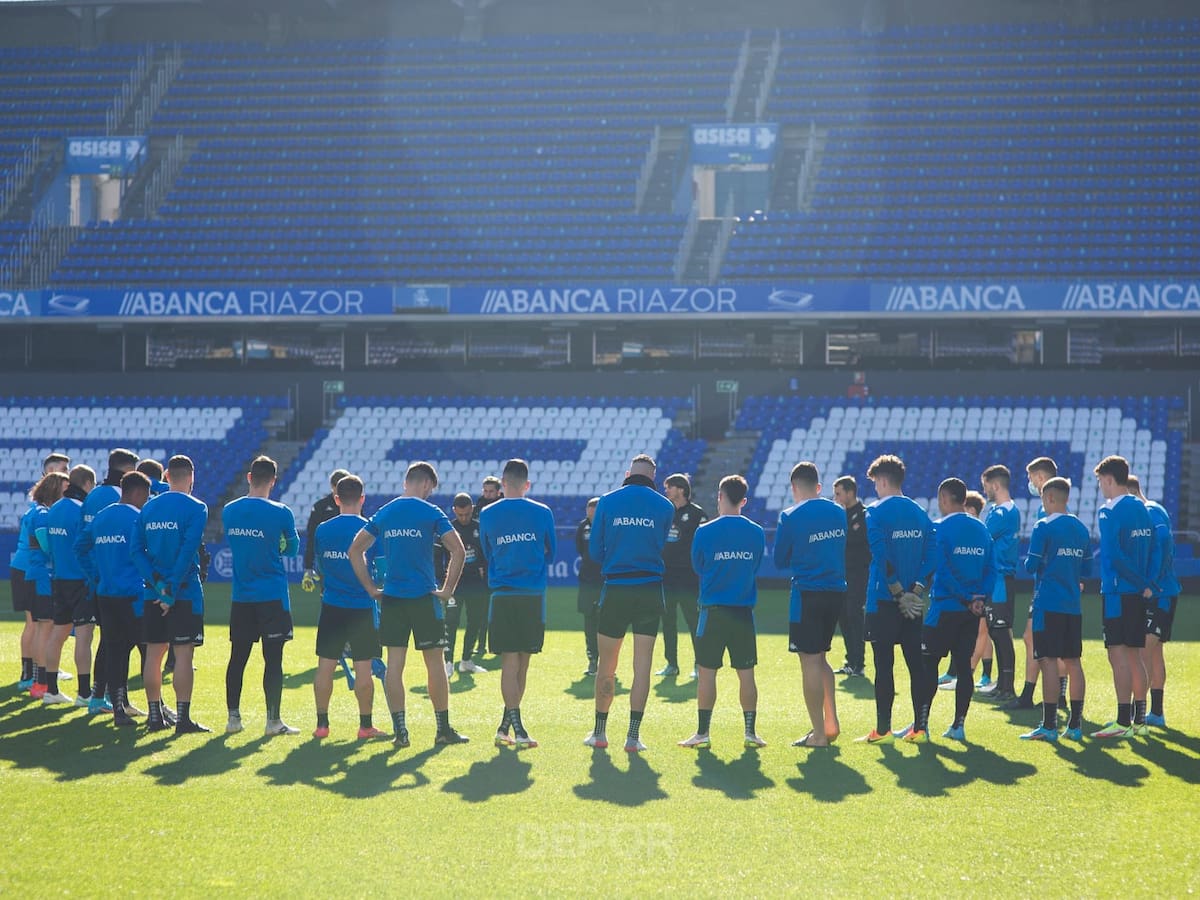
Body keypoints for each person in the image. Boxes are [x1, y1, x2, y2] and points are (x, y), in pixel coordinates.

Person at [349, 461, 469, 747]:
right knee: (435, 663)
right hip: (424, 598)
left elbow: (355, 550)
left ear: (407, 482)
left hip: (392, 598)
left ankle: (400, 732)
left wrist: (371, 588)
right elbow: (458, 550)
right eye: (431, 489)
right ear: (426, 483)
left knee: (394, 665)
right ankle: (443, 729)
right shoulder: (431, 512)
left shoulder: (385, 512)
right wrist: (447, 590)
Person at [584, 453, 674, 752]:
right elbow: (662, 545)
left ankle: (599, 733)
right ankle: (633, 737)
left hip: (616, 588)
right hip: (650, 589)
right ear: (653, 477)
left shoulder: (607, 501)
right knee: (643, 667)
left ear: (627, 473)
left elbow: (595, 552)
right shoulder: (665, 506)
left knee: (607, 665)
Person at [678, 475, 766, 750]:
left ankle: (702, 733)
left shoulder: (704, 532)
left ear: (720, 496)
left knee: (706, 674)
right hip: (742, 613)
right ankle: (750, 732)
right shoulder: (756, 532)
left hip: (712, 612)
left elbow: (698, 566)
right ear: (744, 500)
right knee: (746, 673)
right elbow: (754, 566)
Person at [479, 459, 557, 749]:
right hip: (532, 596)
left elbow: (487, 551)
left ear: (502, 483)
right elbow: (551, 553)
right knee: (521, 663)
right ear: (527, 484)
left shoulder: (487, 513)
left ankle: (505, 726)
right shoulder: (542, 512)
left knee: (511, 662)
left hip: (503, 595)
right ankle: (519, 729)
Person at [223, 456, 301, 737]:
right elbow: (292, 549)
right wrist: (275, 544)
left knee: (238, 658)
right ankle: (273, 721)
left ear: (249, 477)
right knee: (273, 660)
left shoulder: (229, 510)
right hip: (272, 596)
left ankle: (233, 719)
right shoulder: (282, 512)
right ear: (273, 481)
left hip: (242, 596)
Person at [859, 454, 935, 744]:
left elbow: (880, 555)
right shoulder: (920, 513)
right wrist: (916, 591)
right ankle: (920, 728)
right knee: (917, 666)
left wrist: (898, 592)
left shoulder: (875, 512)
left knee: (884, 666)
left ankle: (883, 730)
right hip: (913, 603)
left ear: (882, 480)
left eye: (875, 482)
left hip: (883, 600)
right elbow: (932, 555)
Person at [914, 478, 995, 743]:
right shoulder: (981, 529)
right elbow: (991, 570)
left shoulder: (939, 528)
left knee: (927, 665)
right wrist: (979, 598)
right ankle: (958, 726)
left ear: (944, 499)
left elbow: (943, 571)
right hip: (971, 612)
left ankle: (921, 726)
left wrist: (965, 596)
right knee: (964, 668)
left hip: (944, 609)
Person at [132, 455, 208, 733]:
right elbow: (188, 552)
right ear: (191, 477)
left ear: (166, 476)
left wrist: (158, 585)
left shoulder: (148, 508)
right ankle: (183, 719)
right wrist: (170, 591)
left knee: (154, 654)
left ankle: (155, 716)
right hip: (184, 593)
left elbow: (136, 551)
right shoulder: (197, 507)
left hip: (153, 593)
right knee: (184, 655)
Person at [774, 463, 846, 747]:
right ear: (818, 486)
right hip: (836, 591)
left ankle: (818, 734)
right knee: (821, 657)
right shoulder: (838, 511)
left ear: (794, 487)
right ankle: (831, 723)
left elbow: (779, 559)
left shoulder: (790, 516)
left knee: (810, 661)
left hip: (807, 593)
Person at [311, 475, 386, 740]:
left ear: (336, 498)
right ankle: (365, 726)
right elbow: (381, 571)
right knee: (363, 668)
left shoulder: (322, 529)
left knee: (325, 666)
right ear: (362, 498)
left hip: (332, 605)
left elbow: (321, 567)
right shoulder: (371, 529)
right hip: (362, 607)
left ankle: (322, 725)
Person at [76, 471, 152, 727]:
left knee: (115, 650)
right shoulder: (138, 518)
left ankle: (119, 709)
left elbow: (80, 547)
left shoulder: (102, 516)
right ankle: (156, 707)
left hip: (106, 595)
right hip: (134, 595)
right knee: (147, 649)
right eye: (146, 496)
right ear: (138, 493)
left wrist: (96, 576)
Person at [1019, 477, 1090, 742]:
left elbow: (1030, 565)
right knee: (1073, 662)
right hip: (1072, 606)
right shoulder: (1081, 528)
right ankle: (1075, 725)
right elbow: (1087, 569)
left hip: (1048, 603)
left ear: (1049, 498)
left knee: (1047, 660)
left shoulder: (1043, 526)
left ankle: (1049, 726)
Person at [1091, 455, 1157, 739]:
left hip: (1117, 592)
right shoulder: (1142, 507)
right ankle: (1139, 721)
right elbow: (1155, 547)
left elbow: (1115, 556)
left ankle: (1122, 722)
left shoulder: (1108, 511)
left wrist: (1138, 581)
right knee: (1134, 655)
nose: (1100, 487)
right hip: (1138, 593)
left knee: (1117, 655)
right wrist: (1147, 582)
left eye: (1100, 481)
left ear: (1108, 480)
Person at [41, 465, 97, 708]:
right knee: (84, 637)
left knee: (57, 634)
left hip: (59, 579)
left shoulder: (53, 510)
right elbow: (87, 546)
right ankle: (84, 693)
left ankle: (51, 690)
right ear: (87, 484)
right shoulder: (81, 510)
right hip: (81, 581)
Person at [1127, 475, 1177, 730]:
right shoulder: (1151, 511)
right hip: (1157, 592)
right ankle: (1155, 713)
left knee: (1143, 651)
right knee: (1155, 652)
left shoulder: (1150, 511)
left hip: (1159, 594)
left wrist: (1152, 582)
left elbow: (1164, 543)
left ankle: (1135, 714)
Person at [22, 471, 68, 699]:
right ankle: (41, 683)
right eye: (65, 490)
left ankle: (39, 683)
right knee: (46, 627)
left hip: (37, 575)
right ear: (54, 490)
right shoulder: (42, 514)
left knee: (44, 627)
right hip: (42, 576)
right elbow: (47, 546)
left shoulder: (39, 512)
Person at [658, 473, 709, 678]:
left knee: (693, 621)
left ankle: (699, 664)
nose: (666, 491)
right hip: (667, 577)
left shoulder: (697, 514)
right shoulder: (665, 513)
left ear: (680, 489)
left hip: (688, 577)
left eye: (669, 487)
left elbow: (704, 544)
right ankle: (671, 664)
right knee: (667, 622)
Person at [980, 464, 1021, 707]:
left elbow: (983, 538)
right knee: (996, 632)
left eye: (986, 486)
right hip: (996, 580)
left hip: (1000, 580)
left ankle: (1008, 687)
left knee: (1001, 632)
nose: (984, 491)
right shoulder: (1003, 510)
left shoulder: (1003, 513)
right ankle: (1002, 684)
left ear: (995, 485)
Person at [447, 493, 489, 676]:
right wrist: (443, 580)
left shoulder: (480, 528)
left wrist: (484, 575)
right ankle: (448, 662)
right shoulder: (448, 529)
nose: (464, 518)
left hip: (476, 584)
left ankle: (466, 660)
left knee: (475, 622)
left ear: (472, 509)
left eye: (467, 514)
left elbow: (487, 555)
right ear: (454, 511)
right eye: (460, 514)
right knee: (451, 623)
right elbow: (438, 556)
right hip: (454, 584)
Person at [832, 474, 868, 677]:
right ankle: (851, 660)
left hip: (858, 574)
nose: (836, 498)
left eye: (838, 494)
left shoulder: (863, 515)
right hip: (841, 573)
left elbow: (855, 541)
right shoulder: (839, 515)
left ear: (850, 492)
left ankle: (859, 663)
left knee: (854, 615)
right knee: (843, 616)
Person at [302, 468, 350, 592]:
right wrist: (308, 567)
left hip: (350, 562)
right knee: (329, 597)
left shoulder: (354, 506)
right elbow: (312, 537)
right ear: (332, 487)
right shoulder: (320, 507)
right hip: (328, 563)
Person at [576, 498, 602, 676]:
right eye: (589, 514)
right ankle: (592, 659)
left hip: (605, 581)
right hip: (587, 581)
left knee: (607, 622)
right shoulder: (583, 527)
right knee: (589, 621)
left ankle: (607, 661)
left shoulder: (609, 526)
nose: (591, 518)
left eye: (594, 515)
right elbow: (580, 548)